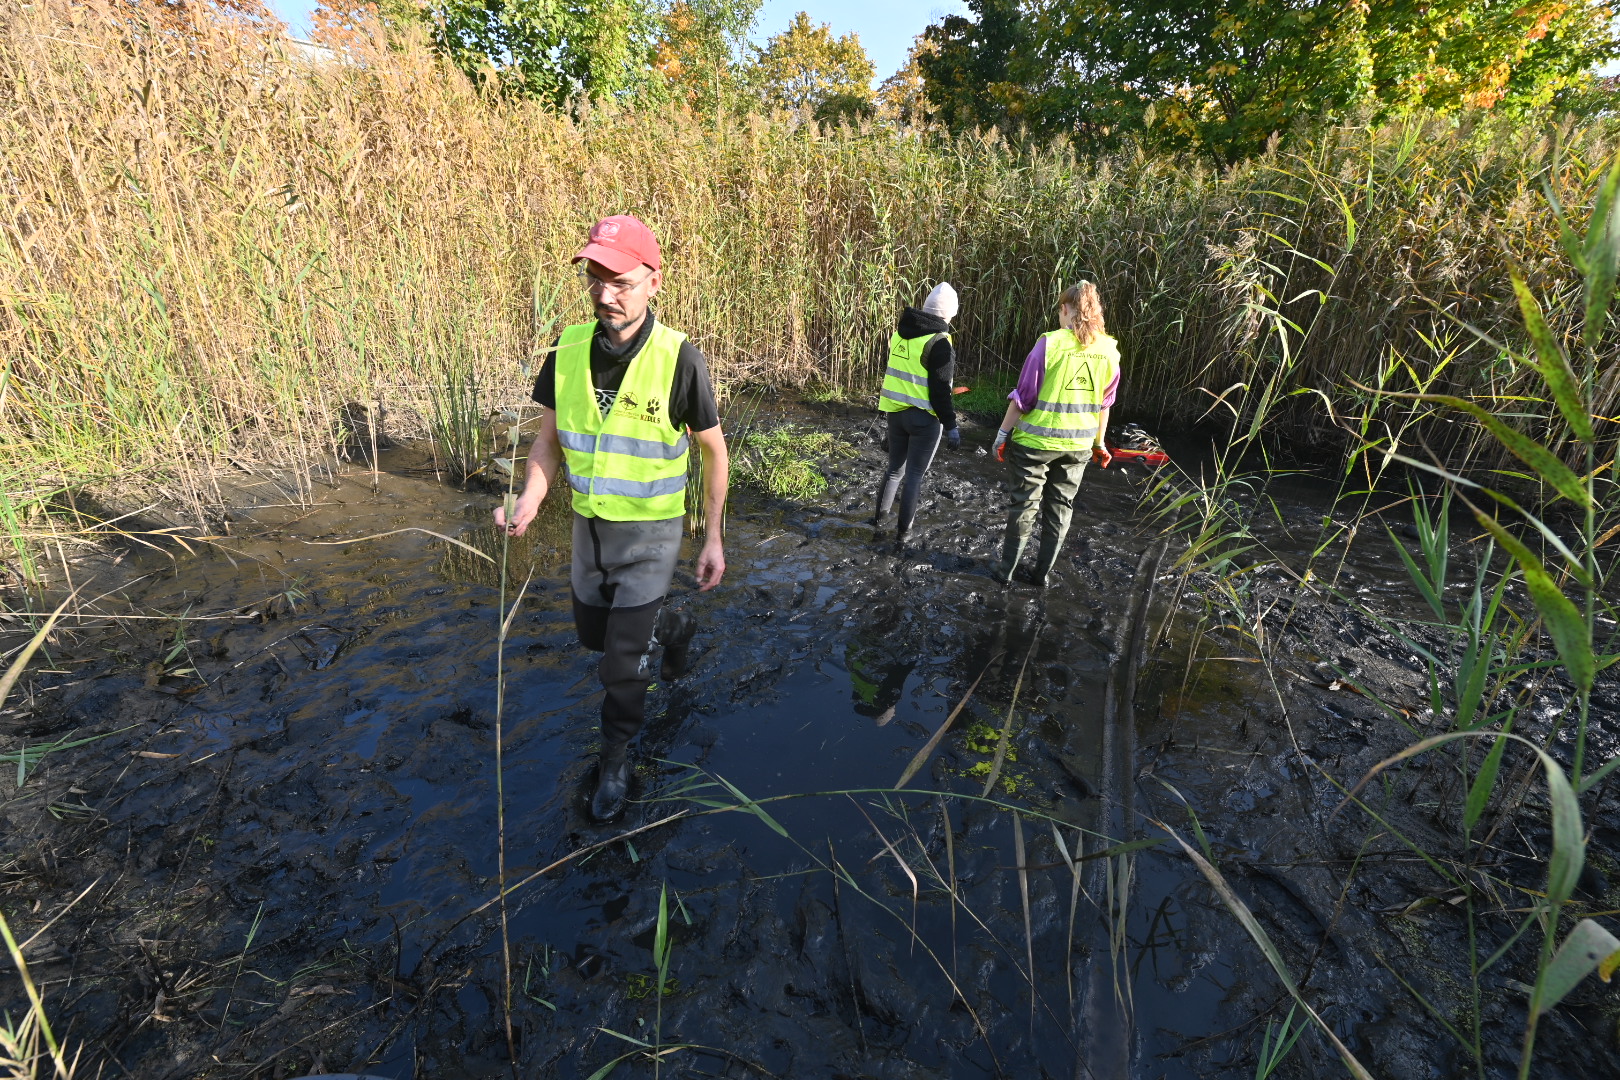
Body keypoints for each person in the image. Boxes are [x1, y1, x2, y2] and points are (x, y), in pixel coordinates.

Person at [495, 214, 729, 822]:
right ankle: (672, 627)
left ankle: (616, 759)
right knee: (592, 639)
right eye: (596, 278)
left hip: (652, 534)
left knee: (619, 664)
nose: (605, 294)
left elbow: (713, 451)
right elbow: (548, 440)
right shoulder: (567, 347)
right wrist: (530, 499)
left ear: (653, 282)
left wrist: (713, 539)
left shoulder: (680, 359)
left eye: (621, 281)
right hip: (588, 527)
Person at [990, 281, 1119, 588]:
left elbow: (1023, 399)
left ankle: (1005, 572)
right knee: (1061, 510)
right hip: (1078, 447)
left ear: (1065, 309)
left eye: (1061, 310)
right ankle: (1041, 575)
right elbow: (1105, 404)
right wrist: (1100, 444)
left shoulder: (1049, 343)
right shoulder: (1109, 350)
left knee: (1024, 506)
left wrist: (1001, 436)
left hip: (1034, 444)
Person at [870, 282, 961, 551]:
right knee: (914, 477)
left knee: (893, 472)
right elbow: (940, 391)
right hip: (924, 421)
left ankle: (877, 522)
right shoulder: (939, 342)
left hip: (896, 415)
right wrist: (951, 424)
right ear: (950, 314)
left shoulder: (900, 334)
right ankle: (903, 536)